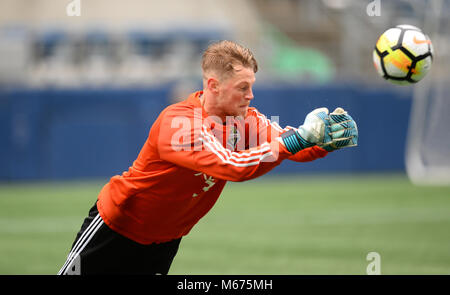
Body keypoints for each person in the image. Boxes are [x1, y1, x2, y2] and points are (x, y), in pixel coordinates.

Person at [58, 40, 358, 275]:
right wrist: (297, 140)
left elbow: (287, 145)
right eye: (243, 87)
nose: (250, 95)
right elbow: (233, 166)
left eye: (251, 86)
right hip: (116, 229)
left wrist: (324, 141)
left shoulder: (244, 121)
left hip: (164, 241)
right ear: (213, 85)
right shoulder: (179, 124)